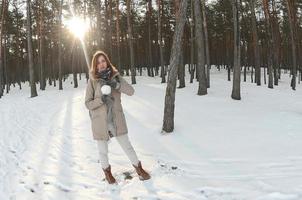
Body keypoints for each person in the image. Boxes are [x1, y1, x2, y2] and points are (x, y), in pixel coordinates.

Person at [85, 50, 151, 184]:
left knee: (127, 146)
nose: (101, 64)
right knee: (103, 151)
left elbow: (131, 91)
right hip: (100, 122)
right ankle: (108, 174)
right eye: (98, 63)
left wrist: (117, 85)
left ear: (107, 62)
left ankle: (139, 170)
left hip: (116, 120)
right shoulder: (93, 81)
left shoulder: (115, 76)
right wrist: (100, 100)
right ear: (95, 66)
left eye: (103, 61)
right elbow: (87, 103)